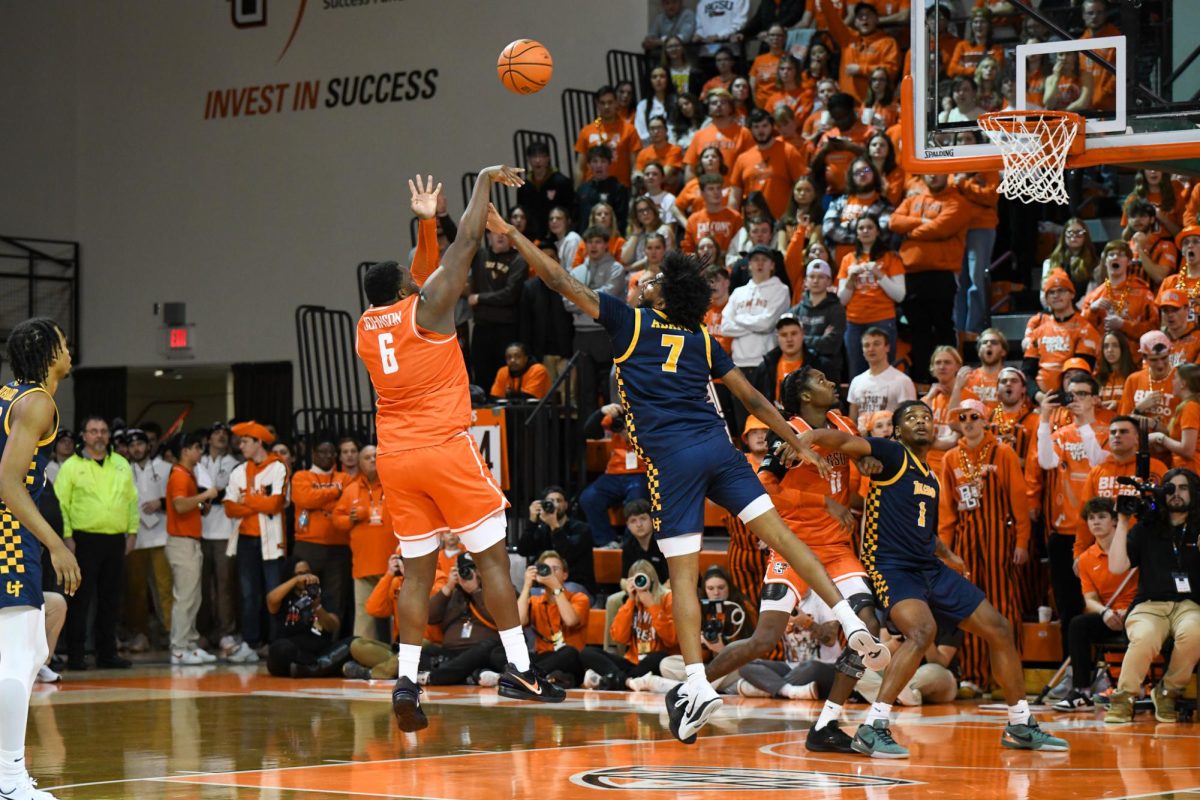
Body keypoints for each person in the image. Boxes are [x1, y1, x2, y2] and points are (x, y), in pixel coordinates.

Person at [493, 210, 888, 744]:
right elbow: (751, 396)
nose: (644, 282)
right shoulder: (701, 337)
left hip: (674, 461)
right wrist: (795, 442)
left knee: (681, 576)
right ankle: (854, 622)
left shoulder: (629, 322)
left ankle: (698, 683)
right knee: (785, 539)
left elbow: (560, 278)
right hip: (720, 451)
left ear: (661, 298)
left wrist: (515, 234)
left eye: (651, 281)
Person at [357, 168, 566, 734]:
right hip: (444, 448)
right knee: (493, 561)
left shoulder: (367, 327)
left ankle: (406, 680)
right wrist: (482, 186)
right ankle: (522, 670)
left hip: (396, 458)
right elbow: (468, 245)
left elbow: (427, 273)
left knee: (417, 577)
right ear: (408, 289)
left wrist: (427, 226)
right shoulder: (427, 309)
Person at [794, 401, 1069, 756]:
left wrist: (947, 554)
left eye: (926, 417)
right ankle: (874, 726)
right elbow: (844, 442)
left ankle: (1020, 723)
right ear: (896, 431)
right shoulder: (891, 454)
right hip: (890, 566)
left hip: (929, 566)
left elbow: (922, 528)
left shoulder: (929, 474)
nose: (921, 422)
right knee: (922, 632)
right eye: (910, 418)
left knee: (999, 628)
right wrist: (805, 437)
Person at [707, 366, 888, 752]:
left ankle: (827, 723)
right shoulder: (783, 431)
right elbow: (764, 489)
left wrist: (865, 467)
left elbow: (857, 460)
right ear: (805, 397)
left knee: (867, 627)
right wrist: (818, 501)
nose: (831, 382)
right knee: (764, 638)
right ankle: (694, 686)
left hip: (837, 549)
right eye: (821, 380)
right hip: (793, 547)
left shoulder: (843, 423)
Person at [0, 317, 81, 800]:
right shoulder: (37, 402)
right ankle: (10, 777)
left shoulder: (8, 394)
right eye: (64, 343)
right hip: (10, 535)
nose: (70, 350)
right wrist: (55, 543)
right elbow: (8, 483)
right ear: (51, 353)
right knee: (17, 658)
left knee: (24, 653)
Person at [938, 399, 1031, 690]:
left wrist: (1022, 541)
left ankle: (1007, 679)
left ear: (985, 420)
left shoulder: (1003, 453)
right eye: (962, 417)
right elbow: (946, 511)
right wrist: (947, 552)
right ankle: (974, 678)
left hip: (1000, 538)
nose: (968, 421)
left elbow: (1019, 501)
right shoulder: (950, 457)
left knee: (1004, 608)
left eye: (974, 416)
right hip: (966, 541)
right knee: (969, 609)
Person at [1105, 468, 1200, 723]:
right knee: (1144, 637)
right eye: (1171, 488)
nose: (1176, 494)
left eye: (1183, 488)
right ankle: (1124, 697)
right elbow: (1116, 567)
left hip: (1190, 605)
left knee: (1196, 632)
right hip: (1149, 604)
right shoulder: (1146, 527)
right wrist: (1123, 522)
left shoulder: (1197, 527)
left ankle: (1168, 691)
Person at [1029, 374, 1110, 653]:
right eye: (1071, 394)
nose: (1075, 399)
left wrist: (1084, 425)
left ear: (1096, 399)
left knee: (1102, 604)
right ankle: (1076, 673)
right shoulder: (1059, 435)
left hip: (1100, 534)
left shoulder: (1108, 431)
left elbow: (1098, 460)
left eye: (1083, 394)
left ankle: (1103, 669)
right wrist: (1043, 418)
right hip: (1064, 532)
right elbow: (1046, 461)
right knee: (1068, 607)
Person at [54, 414, 138, 671]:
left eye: (103, 430)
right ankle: (76, 655)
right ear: (84, 435)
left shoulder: (121, 463)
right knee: (80, 599)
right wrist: (67, 537)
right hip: (83, 540)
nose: (99, 435)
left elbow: (131, 500)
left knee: (111, 600)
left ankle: (107, 653)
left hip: (115, 539)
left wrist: (132, 532)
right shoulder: (71, 466)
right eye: (94, 431)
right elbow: (61, 505)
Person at [1052, 497, 1136, 713]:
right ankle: (1082, 691)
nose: (1096, 522)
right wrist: (1106, 612)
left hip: (1137, 611)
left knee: (1139, 625)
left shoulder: (1133, 548)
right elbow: (1090, 599)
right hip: (1108, 613)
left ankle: (1132, 687)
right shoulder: (1086, 559)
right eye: (1091, 518)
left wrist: (1126, 612)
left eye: (1102, 517)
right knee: (1078, 624)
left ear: (1115, 521)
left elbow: (1149, 588)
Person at [889, 173, 972, 383]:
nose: (933, 176)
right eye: (929, 173)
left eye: (938, 173)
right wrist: (921, 221)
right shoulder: (913, 199)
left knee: (943, 327)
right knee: (918, 330)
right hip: (911, 274)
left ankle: (952, 379)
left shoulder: (958, 202)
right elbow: (894, 221)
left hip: (942, 275)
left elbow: (940, 229)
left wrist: (910, 232)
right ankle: (923, 381)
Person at [223, 421, 289, 653]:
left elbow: (275, 504)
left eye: (245, 441)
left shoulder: (278, 467)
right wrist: (258, 503)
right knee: (248, 593)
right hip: (245, 539)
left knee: (274, 592)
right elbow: (229, 508)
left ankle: (274, 643)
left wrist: (247, 500)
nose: (241, 446)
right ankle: (251, 643)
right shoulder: (238, 471)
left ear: (258, 442)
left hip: (270, 540)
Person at [1075, 415, 1168, 558]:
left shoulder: (1156, 468)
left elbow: (1165, 509)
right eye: (1113, 432)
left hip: (1146, 548)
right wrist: (1079, 552)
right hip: (1105, 551)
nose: (1117, 435)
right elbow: (1085, 515)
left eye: (1124, 432)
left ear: (1137, 437)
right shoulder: (1097, 472)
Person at [164, 432, 220, 665]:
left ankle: (189, 643)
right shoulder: (179, 475)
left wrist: (200, 504)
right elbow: (178, 505)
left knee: (193, 596)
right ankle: (179, 647)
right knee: (185, 596)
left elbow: (187, 504)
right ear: (185, 450)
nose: (200, 451)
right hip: (182, 542)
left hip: (189, 541)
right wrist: (205, 494)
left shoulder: (187, 474)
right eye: (197, 447)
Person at [331, 445, 395, 641]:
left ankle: (399, 655)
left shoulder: (394, 486)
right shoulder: (351, 490)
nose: (373, 460)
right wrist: (350, 519)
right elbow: (337, 519)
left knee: (396, 615)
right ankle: (362, 656)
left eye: (376, 456)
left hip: (393, 565)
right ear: (359, 463)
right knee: (364, 616)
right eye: (367, 457)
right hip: (363, 566)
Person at [197, 421, 248, 661]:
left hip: (225, 533)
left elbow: (233, 494)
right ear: (207, 439)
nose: (220, 437)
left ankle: (227, 632)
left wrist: (211, 496)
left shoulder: (235, 465)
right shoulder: (198, 462)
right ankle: (204, 632)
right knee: (202, 588)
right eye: (215, 433)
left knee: (225, 586)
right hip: (199, 531)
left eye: (224, 434)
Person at [290, 437, 351, 622]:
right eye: (323, 452)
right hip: (308, 545)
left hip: (338, 546)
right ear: (313, 454)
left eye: (332, 452)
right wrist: (334, 492)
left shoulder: (345, 478)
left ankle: (333, 644)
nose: (328, 456)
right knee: (306, 594)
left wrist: (320, 500)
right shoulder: (301, 476)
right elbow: (305, 499)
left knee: (336, 597)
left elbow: (346, 504)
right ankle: (307, 640)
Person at [837, 214, 905, 376]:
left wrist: (879, 274)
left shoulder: (890, 257)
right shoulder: (848, 259)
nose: (865, 231)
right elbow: (842, 300)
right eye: (861, 228)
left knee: (884, 372)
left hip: (882, 319)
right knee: (856, 373)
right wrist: (851, 279)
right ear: (857, 233)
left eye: (870, 227)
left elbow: (900, 295)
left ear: (877, 232)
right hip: (854, 322)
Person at [124, 428, 172, 655]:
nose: (136, 448)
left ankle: (169, 632)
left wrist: (161, 503)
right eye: (132, 445)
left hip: (162, 535)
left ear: (148, 446)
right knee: (136, 590)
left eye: (140, 444)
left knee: (164, 588)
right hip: (135, 537)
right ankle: (140, 634)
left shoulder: (166, 467)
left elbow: (177, 496)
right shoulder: (122, 469)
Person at [1023, 270, 1102, 401]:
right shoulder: (1039, 330)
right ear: (1046, 299)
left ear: (1071, 294)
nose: (1056, 295)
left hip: (1073, 400)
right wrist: (1038, 396)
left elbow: (1081, 372)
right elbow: (1027, 372)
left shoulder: (1086, 329)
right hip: (1040, 401)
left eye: (1061, 290)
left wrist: (1057, 399)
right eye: (1051, 292)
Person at [265, 559, 351, 679]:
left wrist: (317, 607)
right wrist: (295, 580)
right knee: (279, 649)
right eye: (299, 574)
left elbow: (333, 626)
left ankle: (311, 668)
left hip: (319, 650)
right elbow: (270, 599)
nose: (304, 577)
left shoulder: (322, 596)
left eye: (307, 573)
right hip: (292, 651)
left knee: (351, 643)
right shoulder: (285, 597)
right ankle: (318, 667)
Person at [581, 404, 648, 548]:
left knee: (636, 501)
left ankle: (630, 544)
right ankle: (606, 541)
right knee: (589, 497)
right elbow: (589, 431)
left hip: (642, 470)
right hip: (614, 472)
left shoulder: (650, 410)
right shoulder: (617, 413)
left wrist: (637, 435)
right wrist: (601, 412)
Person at [518, 486, 596, 595]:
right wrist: (532, 521)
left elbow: (568, 554)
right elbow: (523, 550)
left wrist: (554, 526)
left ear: (566, 505)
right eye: (550, 501)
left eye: (559, 501)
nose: (555, 504)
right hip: (544, 584)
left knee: (562, 593)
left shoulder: (582, 529)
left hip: (575, 583)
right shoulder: (542, 529)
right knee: (530, 594)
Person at [846, 326, 915, 430]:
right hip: (861, 442)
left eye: (876, 344)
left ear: (887, 347)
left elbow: (909, 419)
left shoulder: (903, 381)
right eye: (866, 345)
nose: (871, 349)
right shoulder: (856, 381)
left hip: (889, 441)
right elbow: (852, 420)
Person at [574, 86, 641, 188]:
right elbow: (580, 167)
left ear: (616, 104)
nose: (606, 106)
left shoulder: (629, 130)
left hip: (620, 189)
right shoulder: (586, 131)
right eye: (602, 103)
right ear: (597, 104)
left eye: (610, 102)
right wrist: (577, 192)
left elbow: (635, 166)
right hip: (592, 189)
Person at [791, 259, 846, 380]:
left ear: (829, 281)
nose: (815, 281)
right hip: (800, 369)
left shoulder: (837, 310)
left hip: (827, 370)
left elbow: (832, 345)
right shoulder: (795, 311)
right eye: (812, 276)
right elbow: (789, 343)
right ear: (805, 281)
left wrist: (801, 338)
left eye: (821, 277)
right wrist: (820, 339)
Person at [515, 141, 574, 241]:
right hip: (533, 238)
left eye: (541, 156)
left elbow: (571, 210)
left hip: (559, 237)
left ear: (548, 158)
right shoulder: (524, 187)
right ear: (528, 159)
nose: (538, 161)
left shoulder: (561, 182)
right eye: (534, 157)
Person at [1150, 363, 1200, 476]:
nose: (1172, 382)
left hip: (1193, 473)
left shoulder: (1190, 407)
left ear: (1183, 383)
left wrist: (1160, 438)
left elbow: (1187, 450)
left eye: (1175, 378)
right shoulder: (1188, 405)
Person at [749, 312, 807, 405]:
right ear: (777, 337)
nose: (789, 339)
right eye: (784, 335)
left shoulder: (819, 365)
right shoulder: (765, 367)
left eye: (794, 333)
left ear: (803, 334)